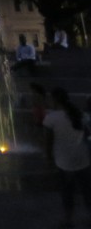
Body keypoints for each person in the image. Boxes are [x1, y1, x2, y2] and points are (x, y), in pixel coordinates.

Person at [44, 87, 91, 227]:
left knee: (67, 190)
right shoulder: (80, 114)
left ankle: (68, 219)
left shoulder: (51, 118)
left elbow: (48, 141)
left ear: (54, 100)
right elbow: (88, 135)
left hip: (63, 160)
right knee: (87, 189)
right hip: (83, 158)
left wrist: (48, 159)